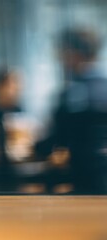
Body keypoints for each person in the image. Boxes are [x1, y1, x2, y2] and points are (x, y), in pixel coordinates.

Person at [36, 27, 107, 194]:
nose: (60, 59)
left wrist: (36, 147)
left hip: (85, 175)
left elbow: (58, 138)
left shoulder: (72, 92)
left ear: (74, 54)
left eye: (62, 53)